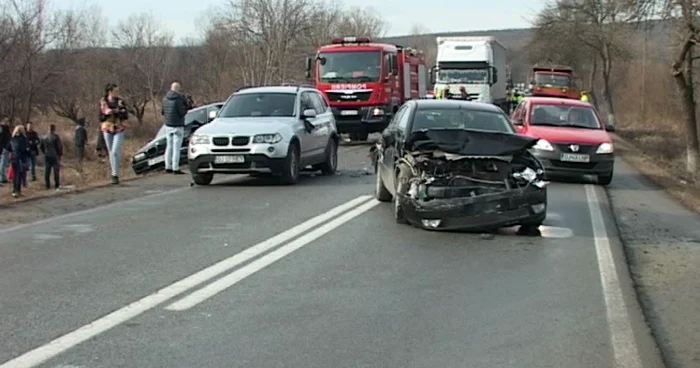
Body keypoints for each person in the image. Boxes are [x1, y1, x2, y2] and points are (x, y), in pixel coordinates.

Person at [99, 83, 128, 184]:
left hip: (119, 127)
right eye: (115, 91)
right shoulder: (103, 101)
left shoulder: (120, 101)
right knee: (111, 151)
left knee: (115, 151)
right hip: (107, 128)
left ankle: (115, 173)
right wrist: (107, 113)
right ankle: (114, 174)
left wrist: (116, 111)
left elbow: (124, 114)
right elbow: (102, 115)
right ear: (110, 92)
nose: (117, 93)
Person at [161, 82, 189, 175]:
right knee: (176, 148)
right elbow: (182, 112)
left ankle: (167, 166)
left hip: (168, 125)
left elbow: (162, 112)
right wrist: (186, 107)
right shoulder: (179, 99)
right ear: (178, 89)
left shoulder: (164, 99)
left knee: (169, 146)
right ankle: (175, 167)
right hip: (178, 125)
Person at [6, 125, 30, 198]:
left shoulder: (12, 139)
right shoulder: (23, 139)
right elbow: (25, 149)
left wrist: (13, 151)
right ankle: (17, 191)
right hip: (20, 158)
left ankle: (14, 190)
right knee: (19, 175)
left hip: (13, 158)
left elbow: (8, 148)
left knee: (15, 175)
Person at [40, 124, 63, 190]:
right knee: (56, 171)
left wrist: (44, 152)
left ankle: (47, 185)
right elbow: (59, 147)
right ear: (54, 129)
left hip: (47, 155)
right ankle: (57, 185)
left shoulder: (44, 137)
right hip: (55, 155)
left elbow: (41, 147)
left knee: (47, 171)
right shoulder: (56, 137)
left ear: (48, 129)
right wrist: (59, 155)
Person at [0, 117, 11, 184]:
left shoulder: (6, 129)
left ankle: (2, 177)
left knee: (3, 163)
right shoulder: (3, 128)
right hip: (4, 148)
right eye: (6, 121)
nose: (7, 122)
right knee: (3, 163)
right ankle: (2, 178)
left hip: (5, 147)